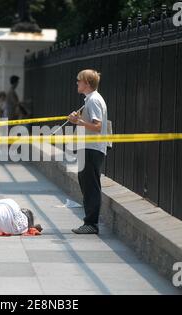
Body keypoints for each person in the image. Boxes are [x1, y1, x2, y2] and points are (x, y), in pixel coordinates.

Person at [68, 69, 108, 235]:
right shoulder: (90, 100)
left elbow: (97, 126)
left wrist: (79, 121)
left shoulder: (93, 100)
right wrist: (77, 120)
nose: (77, 83)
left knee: (90, 185)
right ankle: (89, 222)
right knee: (86, 183)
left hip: (92, 148)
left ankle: (91, 223)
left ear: (87, 83)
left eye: (79, 80)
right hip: (89, 148)